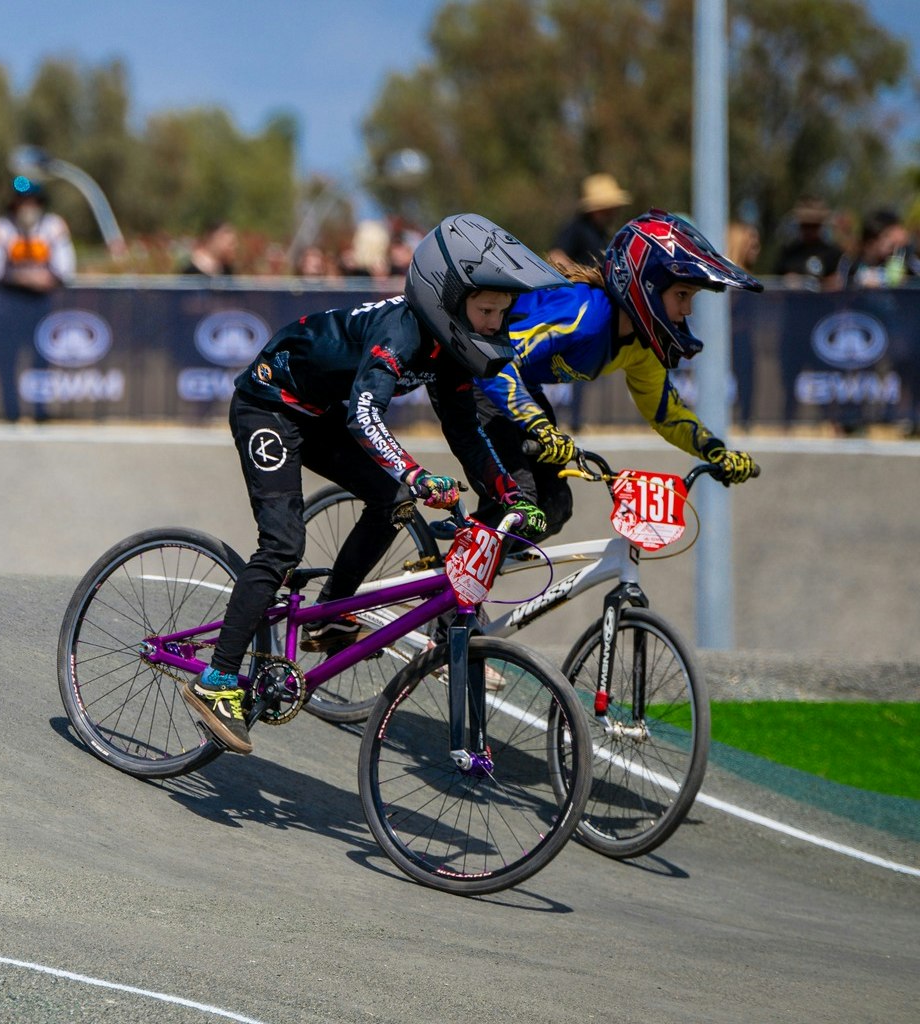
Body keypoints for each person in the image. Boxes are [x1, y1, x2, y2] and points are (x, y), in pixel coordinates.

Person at [183, 214, 564, 755]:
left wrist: (510, 494)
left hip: (319, 414)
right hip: (268, 406)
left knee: (392, 501)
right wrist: (414, 471)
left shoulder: (452, 349)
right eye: (485, 311)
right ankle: (216, 680)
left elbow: (466, 433)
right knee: (283, 544)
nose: (492, 325)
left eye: (501, 314)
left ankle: (332, 614)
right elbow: (366, 414)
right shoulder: (402, 331)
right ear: (449, 300)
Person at [463, 210, 765, 539]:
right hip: (472, 376)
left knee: (555, 508)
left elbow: (665, 413)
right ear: (646, 285)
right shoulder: (584, 313)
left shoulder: (642, 348)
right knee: (523, 503)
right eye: (682, 295)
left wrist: (714, 450)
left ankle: (477, 567)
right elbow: (493, 361)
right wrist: (538, 425)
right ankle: (458, 579)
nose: (687, 310)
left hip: (515, 392)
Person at [0, 175, 75, 422]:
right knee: (6, 359)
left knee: (41, 358)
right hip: (8, 303)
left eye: (31, 201)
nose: (26, 207)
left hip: (40, 304)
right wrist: (23, 277)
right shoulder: (2, 228)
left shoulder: (53, 226)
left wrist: (40, 279)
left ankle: (40, 411)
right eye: (21, 201)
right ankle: (11, 412)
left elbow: (66, 269)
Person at [548, 173, 631, 268]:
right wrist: (579, 276)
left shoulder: (602, 234)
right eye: (606, 209)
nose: (611, 213)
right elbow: (555, 256)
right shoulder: (577, 228)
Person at [772, 198, 843, 288]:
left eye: (814, 226)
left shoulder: (833, 254)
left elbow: (841, 285)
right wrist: (786, 281)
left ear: (820, 225)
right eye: (805, 225)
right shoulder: (789, 253)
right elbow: (774, 287)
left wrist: (828, 283)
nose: (809, 230)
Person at [839, 208, 915, 289]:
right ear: (870, 242)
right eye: (887, 236)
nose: (894, 243)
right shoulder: (850, 264)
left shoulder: (906, 263)